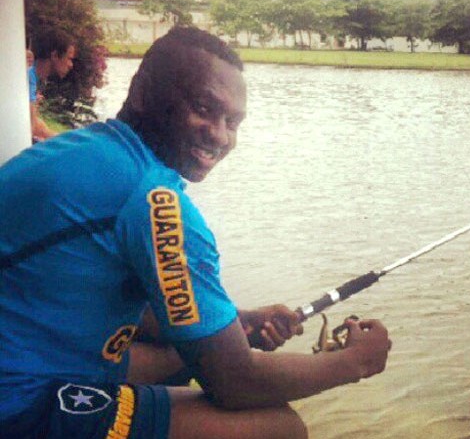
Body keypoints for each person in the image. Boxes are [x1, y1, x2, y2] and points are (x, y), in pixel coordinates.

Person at [0, 26, 391, 439]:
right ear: (143, 94)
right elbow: (236, 382)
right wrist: (357, 362)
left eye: (233, 122)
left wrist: (235, 321)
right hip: (20, 402)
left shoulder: (91, 150)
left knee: (186, 355)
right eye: (204, 108)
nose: (220, 135)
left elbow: (126, 301)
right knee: (278, 427)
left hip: (29, 351)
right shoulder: (154, 199)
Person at [27, 28, 76, 141]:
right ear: (54, 56)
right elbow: (32, 126)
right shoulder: (29, 79)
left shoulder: (32, 75)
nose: (71, 65)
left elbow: (36, 124)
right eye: (69, 58)